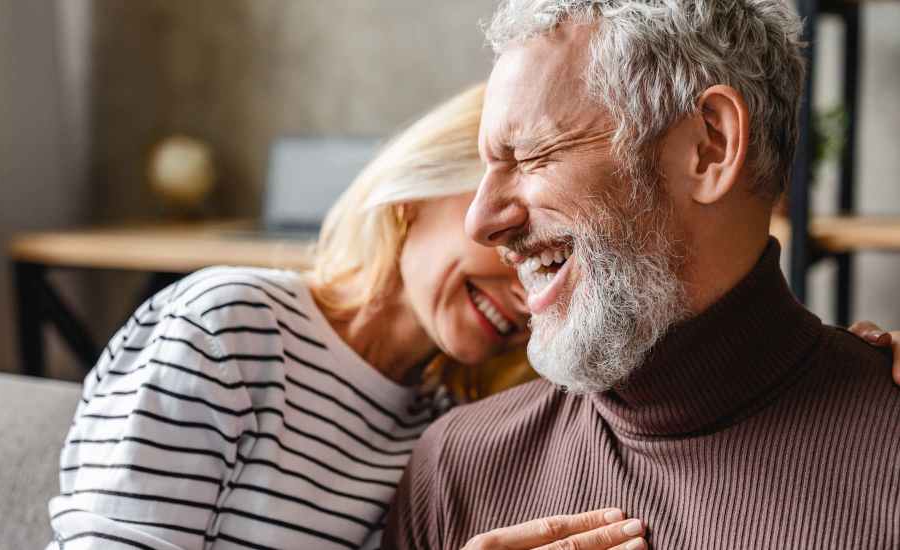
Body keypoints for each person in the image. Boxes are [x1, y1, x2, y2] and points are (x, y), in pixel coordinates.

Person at [47, 83, 900, 550]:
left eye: (533, 178)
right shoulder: (229, 325)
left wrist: (834, 363)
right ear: (418, 188)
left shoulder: (449, 423)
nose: (521, 265)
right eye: (497, 179)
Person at [384, 2, 900, 549]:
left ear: (710, 147)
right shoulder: (455, 470)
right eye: (489, 166)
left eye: (532, 155)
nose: (481, 221)